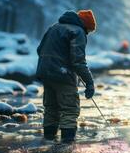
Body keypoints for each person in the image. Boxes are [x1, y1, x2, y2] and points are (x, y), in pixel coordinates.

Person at [36, 10, 96, 142]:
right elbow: (78, 61)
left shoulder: (54, 27)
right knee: (69, 110)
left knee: (51, 109)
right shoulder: (78, 31)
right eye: (89, 31)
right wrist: (89, 83)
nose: (88, 33)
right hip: (63, 75)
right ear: (86, 25)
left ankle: (47, 142)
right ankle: (66, 148)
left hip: (45, 72)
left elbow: (39, 49)